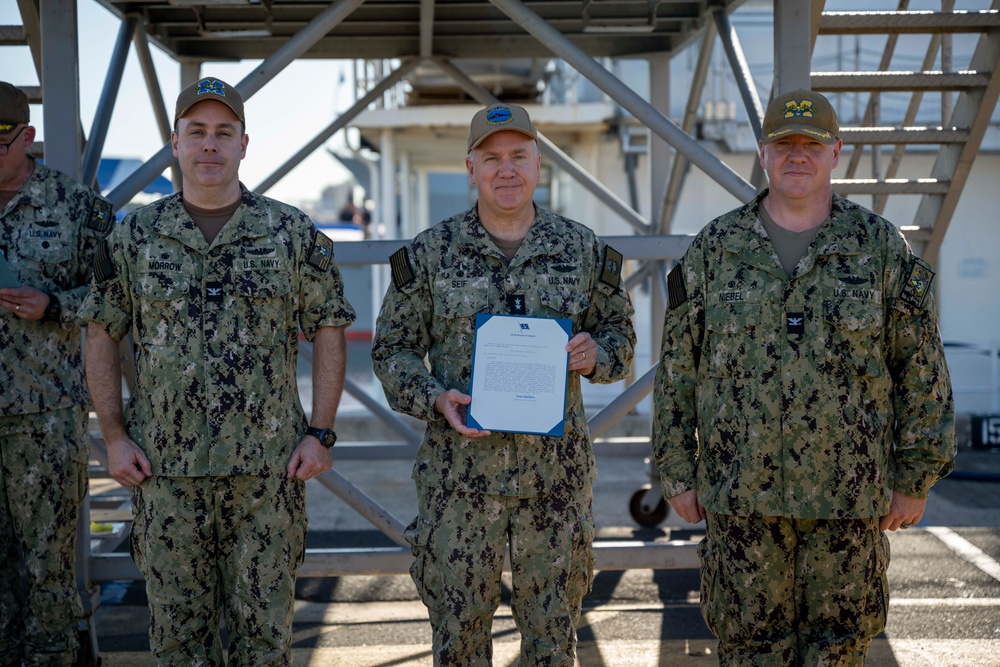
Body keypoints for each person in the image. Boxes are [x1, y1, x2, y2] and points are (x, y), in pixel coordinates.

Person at [651, 88, 956, 666]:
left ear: (835, 152)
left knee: (839, 653)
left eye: (811, 145)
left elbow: (920, 367)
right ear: (763, 153)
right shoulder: (716, 248)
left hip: (848, 505)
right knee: (748, 653)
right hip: (741, 502)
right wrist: (675, 471)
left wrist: (916, 475)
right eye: (783, 144)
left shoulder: (879, 247)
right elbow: (678, 372)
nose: (797, 156)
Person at [80, 78, 355, 666]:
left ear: (244, 144)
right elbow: (101, 331)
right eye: (197, 133)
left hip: (268, 477)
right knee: (180, 646)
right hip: (166, 476)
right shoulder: (134, 237)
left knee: (265, 644)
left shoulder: (289, 233)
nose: (210, 146)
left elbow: (329, 326)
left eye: (223, 134)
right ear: (174, 143)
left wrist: (322, 431)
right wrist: (113, 435)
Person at [371, 102, 636, 666]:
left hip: (554, 484)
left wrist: (596, 356)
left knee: (552, 641)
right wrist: (432, 397)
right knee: (460, 638)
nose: (506, 169)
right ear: (470, 169)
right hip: (459, 484)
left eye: (519, 156)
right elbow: (392, 349)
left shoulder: (582, 250)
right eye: (491, 158)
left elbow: (622, 340)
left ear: (540, 165)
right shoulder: (431, 253)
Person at [0, 80, 113, 666]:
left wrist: (56, 306)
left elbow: (118, 296)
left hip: (43, 416)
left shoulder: (77, 210)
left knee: (47, 567)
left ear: (27, 137)